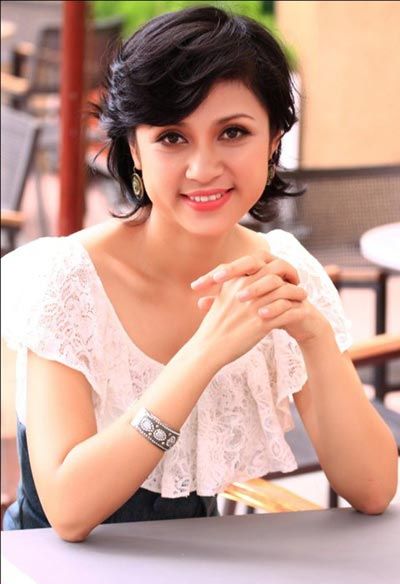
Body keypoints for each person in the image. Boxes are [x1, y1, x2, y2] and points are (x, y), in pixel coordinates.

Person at [1, 5, 397, 548]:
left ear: (274, 140)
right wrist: (205, 352)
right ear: (134, 149)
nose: (203, 168)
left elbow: (374, 490)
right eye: (172, 137)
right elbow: (68, 512)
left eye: (233, 132)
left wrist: (316, 339)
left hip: (200, 570)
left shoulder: (281, 271)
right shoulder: (70, 280)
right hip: (47, 576)